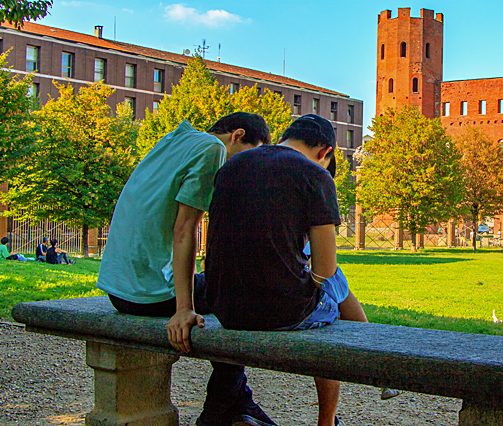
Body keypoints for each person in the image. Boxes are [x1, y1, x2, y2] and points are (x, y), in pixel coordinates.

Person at [205, 114, 393, 426]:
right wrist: (312, 281)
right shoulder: (315, 176)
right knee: (331, 301)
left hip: (224, 307)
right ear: (325, 152)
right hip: (280, 312)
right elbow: (326, 267)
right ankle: (329, 420)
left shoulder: (231, 166)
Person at [96, 113, 274, 426]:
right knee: (243, 299)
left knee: (226, 291)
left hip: (118, 286)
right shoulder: (212, 149)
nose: (245, 168)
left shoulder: (177, 139)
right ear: (237, 135)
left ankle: (238, 403)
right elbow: (185, 229)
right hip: (146, 292)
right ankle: (218, 412)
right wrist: (183, 309)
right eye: (249, 155)